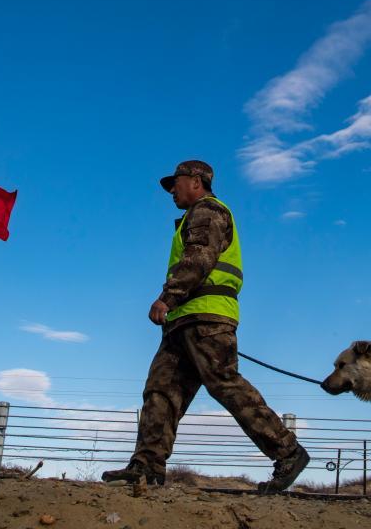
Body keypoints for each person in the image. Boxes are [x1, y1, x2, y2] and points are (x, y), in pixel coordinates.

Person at [102, 160, 309, 493]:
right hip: (185, 319)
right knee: (161, 390)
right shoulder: (192, 216)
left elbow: (199, 257)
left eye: (176, 182)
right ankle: (146, 467)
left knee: (224, 383)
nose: (172, 190)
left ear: (196, 181)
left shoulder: (209, 210)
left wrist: (167, 298)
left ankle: (288, 451)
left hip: (207, 315)